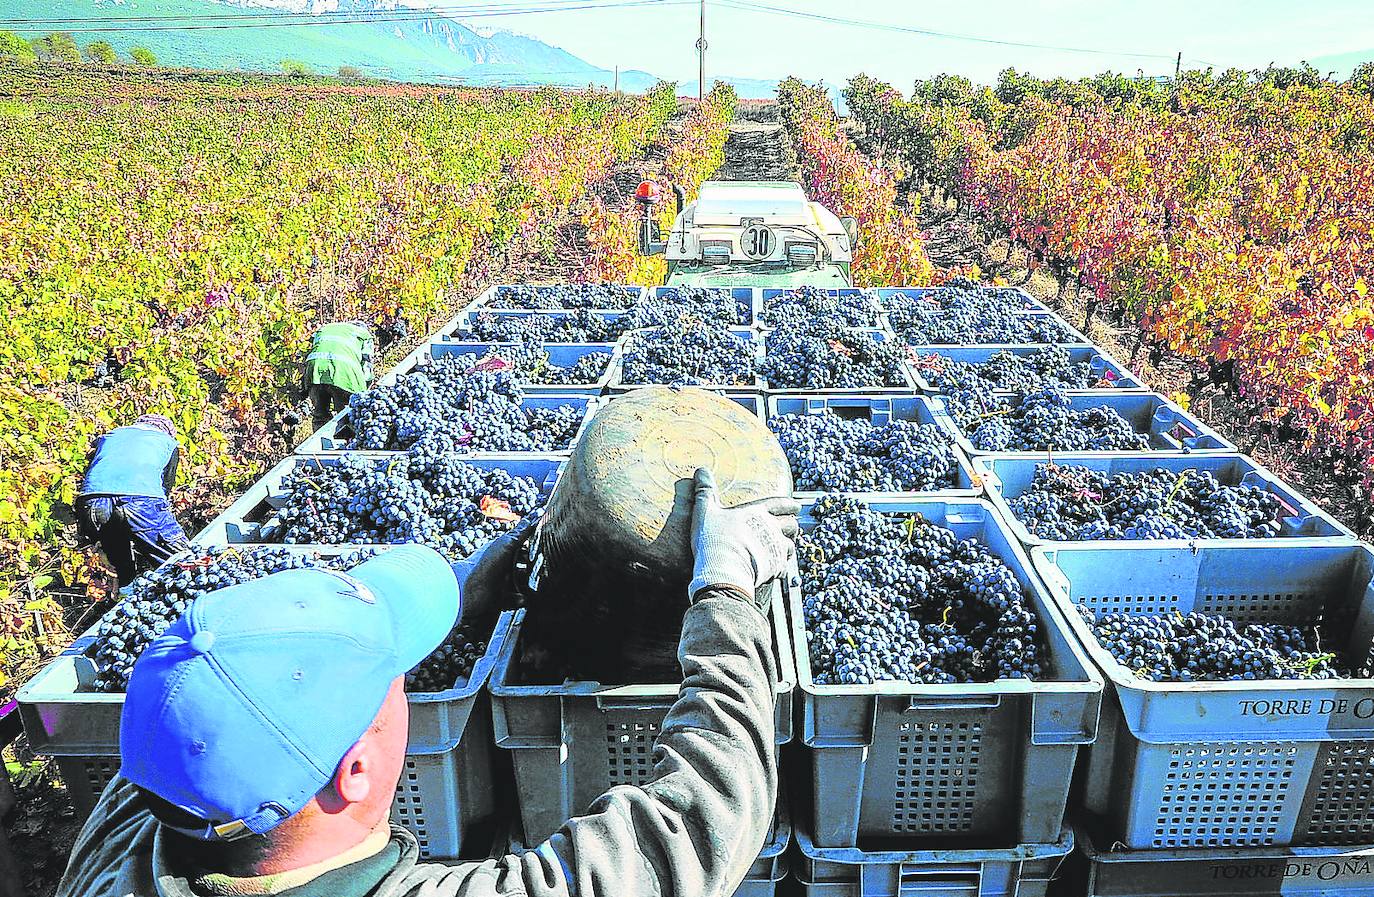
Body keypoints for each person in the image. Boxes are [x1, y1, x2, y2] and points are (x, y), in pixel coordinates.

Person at [57, 467, 799, 897]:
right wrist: (727, 596)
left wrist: (454, 598)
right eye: (392, 674)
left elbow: (223, 712)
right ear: (353, 772)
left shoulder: (129, 835)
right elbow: (701, 819)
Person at [75, 414, 191, 587]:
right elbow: (166, 484)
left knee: (122, 571)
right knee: (184, 562)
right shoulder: (167, 441)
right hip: (140, 500)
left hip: (92, 502)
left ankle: (125, 594)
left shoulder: (109, 437)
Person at [304, 321, 374, 428]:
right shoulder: (363, 334)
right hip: (343, 372)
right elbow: (367, 367)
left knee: (320, 415)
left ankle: (321, 442)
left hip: (315, 371)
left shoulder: (324, 329)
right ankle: (349, 441)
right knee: (348, 415)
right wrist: (364, 393)